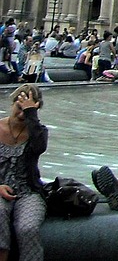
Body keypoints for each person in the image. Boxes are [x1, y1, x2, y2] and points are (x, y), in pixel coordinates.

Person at [0, 86, 47, 261]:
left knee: (28, 228)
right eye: (19, 108)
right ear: (12, 103)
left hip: (28, 192)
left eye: (27, 111)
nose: (22, 115)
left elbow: (39, 147)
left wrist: (31, 115)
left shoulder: (38, 133)